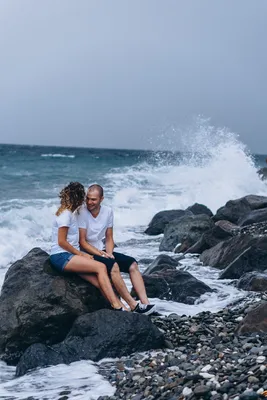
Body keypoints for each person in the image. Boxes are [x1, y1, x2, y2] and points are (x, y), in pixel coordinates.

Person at [77, 184, 156, 315]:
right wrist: (102, 254)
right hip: (87, 253)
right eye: (88, 199)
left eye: (94, 199)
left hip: (101, 250)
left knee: (132, 264)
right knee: (113, 266)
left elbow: (109, 238)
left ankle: (146, 305)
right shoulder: (82, 212)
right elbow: (82, 242)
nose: (90, 202)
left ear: (101, 199)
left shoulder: (107, 211)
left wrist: (109, 253)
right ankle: (133, 305)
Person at [49, 182, 124, 311]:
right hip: (61, 256)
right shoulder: (66, 215)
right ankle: (116, 305)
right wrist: (81, 254)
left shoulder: (69, 212)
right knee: (101, 267)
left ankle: (119, 306)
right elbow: (61, 242)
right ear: (77, 197)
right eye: (83, 197)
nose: (86, 201)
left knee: (98, 280)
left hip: (69, 256)